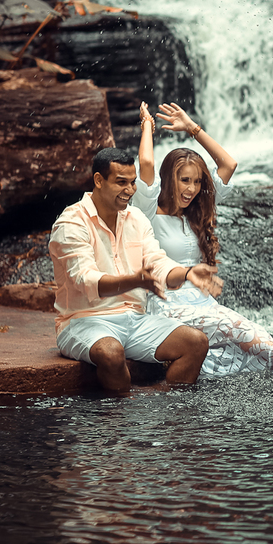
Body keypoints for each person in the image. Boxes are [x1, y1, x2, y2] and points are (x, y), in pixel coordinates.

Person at [134, 101, 273, 379]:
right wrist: (147, 126)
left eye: (197, 182)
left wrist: (192, 128)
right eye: (185, 180)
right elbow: (146, 163)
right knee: (237, 326)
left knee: (246, 345)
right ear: (168, 180)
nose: (192, 189)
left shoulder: (198, 210)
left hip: (202, 304)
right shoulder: (147, 212)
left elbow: (229, 164)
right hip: (167, 306)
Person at [49, 147, 222, 391]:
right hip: (83, 322)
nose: (130, 190)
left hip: (135, 320)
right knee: (111, 353)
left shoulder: (137, 218)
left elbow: (158, 262)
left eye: (132, 182)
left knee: (195, 342)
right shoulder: (71, 223)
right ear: (98, 180)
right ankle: (125, 413)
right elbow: (87, 281)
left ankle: (163, 407)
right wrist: (135, 280)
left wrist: (187, 273)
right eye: (121, 183)